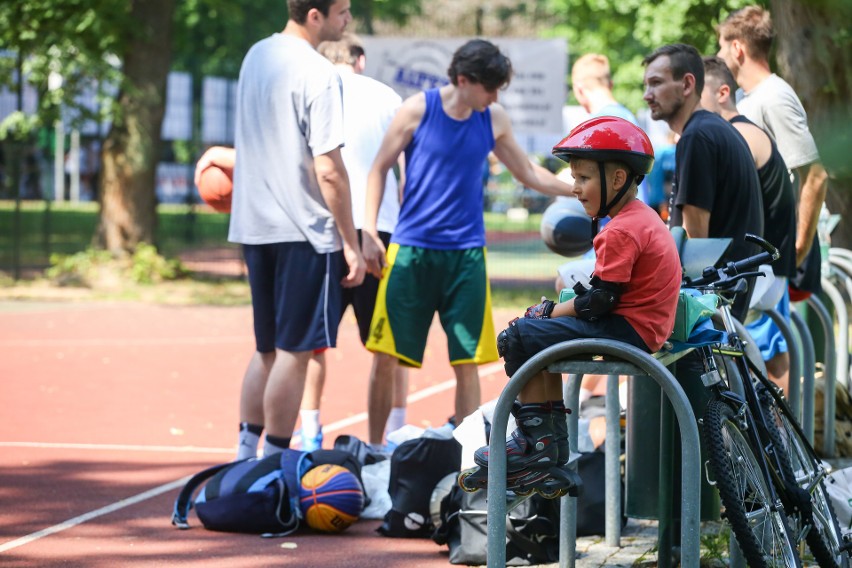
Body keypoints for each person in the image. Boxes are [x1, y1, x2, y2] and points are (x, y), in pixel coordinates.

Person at [361, 39, 573, 450]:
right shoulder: (417, 110)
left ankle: (467, 455)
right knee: (385, 357)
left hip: (466, 258)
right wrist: (369, 232)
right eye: (490, 87)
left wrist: (578, 191)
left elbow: (528, 173)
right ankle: (373, 452)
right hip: (411, 253)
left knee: (467, 361)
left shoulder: (492, 118)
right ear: (463, 79)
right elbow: (378, 169)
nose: (495, 96)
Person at [462, 116, 681, 493]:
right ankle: (545, 447)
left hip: (629, 331)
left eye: (583, 178)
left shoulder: (622, 229)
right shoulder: (638, 218)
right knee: (535, 337)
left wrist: (547, 310)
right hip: (641, 328)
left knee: (518, 336)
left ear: (616, 180)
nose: (574, 188)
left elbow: (600, 300)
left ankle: (537, 446)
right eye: (574, 178)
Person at [227, 0, 365, 460]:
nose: (347, 20)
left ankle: (246, 457)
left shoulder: (255, 56)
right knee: (295, 352)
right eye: (342, 11)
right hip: (303, 230)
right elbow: (329, 169)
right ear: (314, 15)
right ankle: (276, 465)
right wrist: (350, 240)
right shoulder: (318, 72)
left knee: (266, 348)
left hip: (254, 225)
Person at [295, 33, 410, 451]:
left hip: (324, 229)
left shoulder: (313, 91)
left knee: (314, 343)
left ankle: (309, 431)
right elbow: (406, 167)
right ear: (360, 60)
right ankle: (393, 435)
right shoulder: (388, 97)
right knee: (387, 344)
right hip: (380, 228)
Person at [717, 4, 828, 386]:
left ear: (737, 49)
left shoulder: (774, 96)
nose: (717, 59)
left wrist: (798, 243)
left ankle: (781, 443)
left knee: (770, 348)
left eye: (720, 49)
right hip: (760, 243)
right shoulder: (752, 98)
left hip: (777, 244)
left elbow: (814, 172)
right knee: (760, 346)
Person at [642, 42, 763, 321]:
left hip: (712, 296)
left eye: (656, 83)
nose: (647, 95)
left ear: (686, 85)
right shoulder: (710, 129)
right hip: (729, 285)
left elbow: (697, 238)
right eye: (646, 85)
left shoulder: (697, 137)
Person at [701, 56, 797, 393]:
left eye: (699, 95)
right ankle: (776, 436)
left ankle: (771, 435)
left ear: (722, 93)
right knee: (770, 354)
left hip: (759, 265)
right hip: (768, 261)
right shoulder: (743, 132)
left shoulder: (735, 134)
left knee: (756, 355)